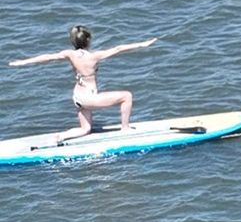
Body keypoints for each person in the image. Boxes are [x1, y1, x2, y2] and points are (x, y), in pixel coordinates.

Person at [8, 27, 158, 142]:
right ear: (88, 41)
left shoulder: (70, 54)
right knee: (127, 96)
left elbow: (47, 57)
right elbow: (118, 49)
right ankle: (125, 128)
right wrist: (143, 44)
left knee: (85, 129)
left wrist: (22, 62)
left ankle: (60, 137)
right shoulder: (93, 56)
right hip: (89, 98)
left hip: (78, 98)